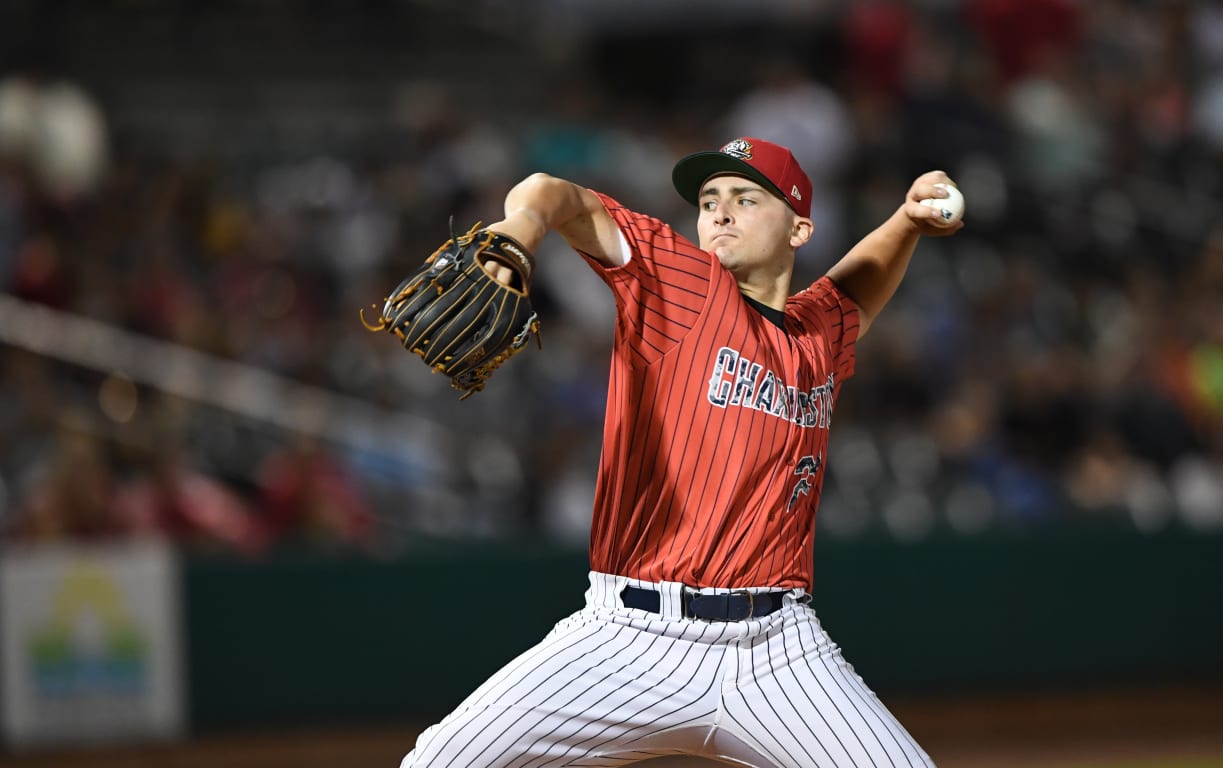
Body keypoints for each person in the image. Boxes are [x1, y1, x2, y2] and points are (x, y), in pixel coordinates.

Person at [401, 136, 961, 767]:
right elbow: (551, 192)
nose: (719, 213)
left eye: (745, 199)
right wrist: (520, 230)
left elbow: (857, 288)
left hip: (777, 651)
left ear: (800, 228)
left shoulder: (816, 333)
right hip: (627, 638)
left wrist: (906, 223)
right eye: (708, 200)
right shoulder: (681, 283)